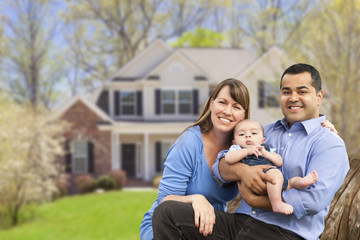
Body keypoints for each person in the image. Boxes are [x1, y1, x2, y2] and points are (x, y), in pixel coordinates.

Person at [152, 63, 349, 240]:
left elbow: (313, 201)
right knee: (168, 213)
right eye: (286, 91)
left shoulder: (329, 144)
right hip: (237, 224)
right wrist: (241, 171)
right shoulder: (264, 131)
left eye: (302, 91)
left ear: (319, 96)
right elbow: (221, 165)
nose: (293, 98)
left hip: (283, 234)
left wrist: (259, 201)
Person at [140, 78, 253, 239]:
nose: (228, 111)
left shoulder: (240, 150)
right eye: (222, 102)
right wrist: (195, 199)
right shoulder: (190, 142)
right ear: (211, 104)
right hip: (168, 226)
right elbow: (165, 200)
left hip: (209, 227)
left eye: (236, 107)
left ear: (244, 114)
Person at [222, 119, 318, 215]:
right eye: (241, 134)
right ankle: (276, 203)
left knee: (291, 181)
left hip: (274, 181)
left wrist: (266, 153)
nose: (248, 136)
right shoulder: (237, 149)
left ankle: (301, 182)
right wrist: (246, 151)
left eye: (254, 133)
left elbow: (279, 162)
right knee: (275, 174)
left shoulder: (265, 149)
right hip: (260, 178)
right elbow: (228, 158)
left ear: (263, 140)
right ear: (234, 142)